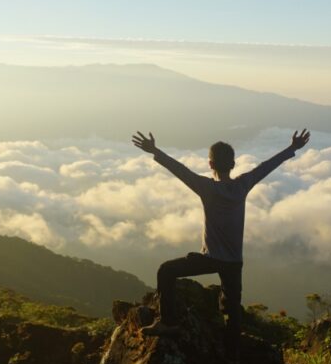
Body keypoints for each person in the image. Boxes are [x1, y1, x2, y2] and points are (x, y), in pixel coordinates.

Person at [131, 129, 311, 351]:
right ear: (233, 164)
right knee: (232, 306)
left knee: (166, 271)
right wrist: (292, 148)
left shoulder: (206, 188)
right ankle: (232, 350)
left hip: (211, 259)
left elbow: (179, 169)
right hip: (235, 261)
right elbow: (266, 167)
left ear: (210, 164)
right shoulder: (242, 185)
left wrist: (155, 151)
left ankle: (169, 323)